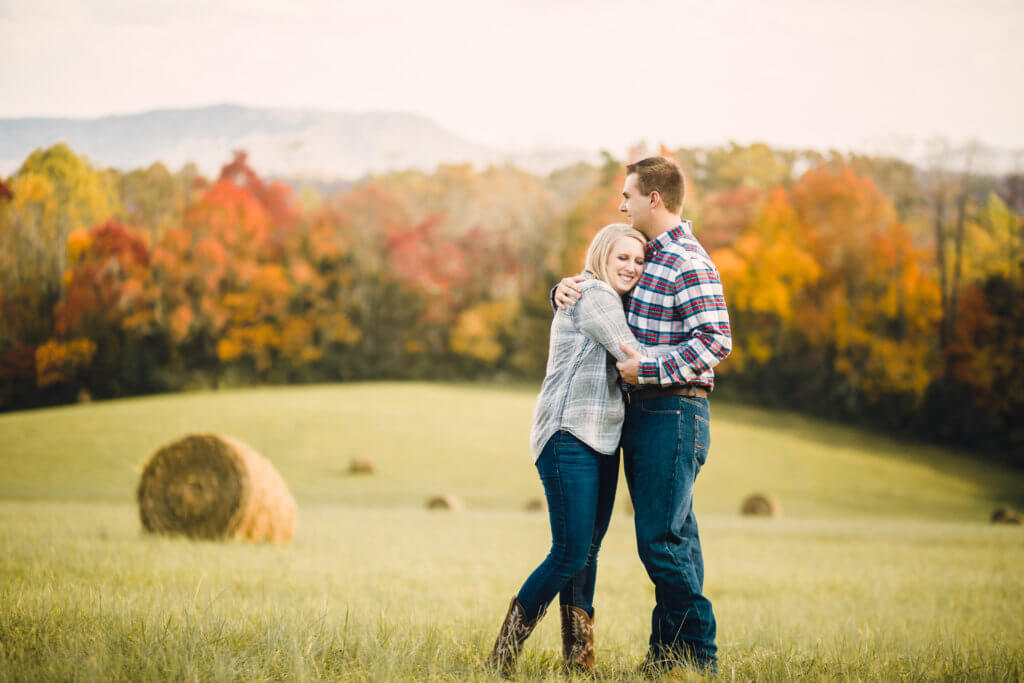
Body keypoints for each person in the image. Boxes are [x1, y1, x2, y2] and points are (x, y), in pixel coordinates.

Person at [553, 156, 732, 675]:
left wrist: (649, 371)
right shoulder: (649, 256)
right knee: (674, 536)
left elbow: (717, 340)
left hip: (673, 412)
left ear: (654, 198)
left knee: (660, 540)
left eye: (627, 195)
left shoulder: (688, 262)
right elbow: (605, 292)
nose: (621, 204)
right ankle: (667, 657)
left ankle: (699, 658)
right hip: (646, 413)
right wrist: (563, 290)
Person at [487, 223, 648, 677]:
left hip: (600, 437)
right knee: (570, 552)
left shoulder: (603, 296)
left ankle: (578, 662)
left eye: (639, 261)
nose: (632, 267)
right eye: (623, 258)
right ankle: (500, 657)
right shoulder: (594, 295)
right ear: (601, 256)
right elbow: (630, 353)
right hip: (568, 433)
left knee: (587, 551)